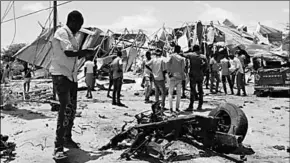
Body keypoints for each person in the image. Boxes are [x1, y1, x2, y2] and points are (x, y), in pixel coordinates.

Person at [49, 10, 95, 159]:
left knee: (72, 109)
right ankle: (58, 147)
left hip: (71, 77)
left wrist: (84, 53)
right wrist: (85, 52)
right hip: (61, 75)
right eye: (79, 25)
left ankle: (67, 138)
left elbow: (73, 54)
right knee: (64, 109)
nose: (78, 28)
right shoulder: (62, 32)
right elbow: (69, 53)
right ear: (73, 22)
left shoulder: (72, 37)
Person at [182, 45, 206, 111]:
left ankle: (191, 106)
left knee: (192, 91)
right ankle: (200, 105)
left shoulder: (191, 55)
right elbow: (206, 66)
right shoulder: (203, 56)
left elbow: (183, 55)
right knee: (200, 91)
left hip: (193, 75)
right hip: (200, 75)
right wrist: (202, 71)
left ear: (193, 49)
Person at [167, 45, 185, 112]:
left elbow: (167, 64)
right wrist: (183, 77)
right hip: (179, 78)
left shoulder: (171, 56)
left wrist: (169, 73)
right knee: (179, 94)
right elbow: (183, 69)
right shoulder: (182, 58)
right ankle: (177, 108)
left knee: (170, 93)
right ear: (179, 50)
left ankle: (171, 108)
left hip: (172, 77)